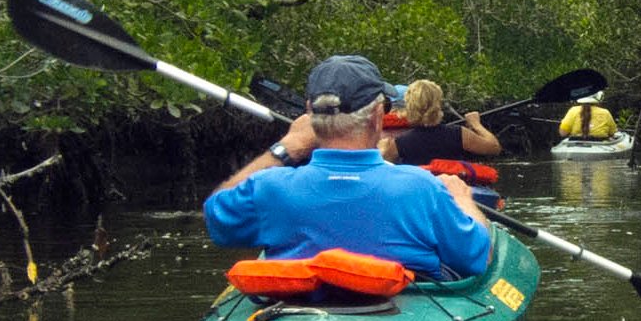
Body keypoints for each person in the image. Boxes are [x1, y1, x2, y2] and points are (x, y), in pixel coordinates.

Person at [203, 55, 491, 280]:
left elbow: (217, 218)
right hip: (400, 309)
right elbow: (476, 257)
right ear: (379, 115)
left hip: (297, 312)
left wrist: (287, 147)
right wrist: (464, 201)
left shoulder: (270, 186)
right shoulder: (422, 187)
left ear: (309, 112)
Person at [379, 79, 502, 166]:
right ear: (438, 103)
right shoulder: (460, 134)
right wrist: (476, 124)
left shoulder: (398, 144)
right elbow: (495, 148)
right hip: (453, 189)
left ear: (409, 106)